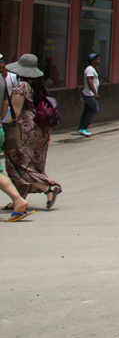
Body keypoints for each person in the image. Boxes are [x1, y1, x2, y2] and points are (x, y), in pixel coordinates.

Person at [3, 54, 62, 209]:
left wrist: (3, 125)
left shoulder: (21, 87)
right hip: (40, 129)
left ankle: (48, 187)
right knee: (31, 163)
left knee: (17, 164)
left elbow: (15, 113)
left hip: (24, 129)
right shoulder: (40, 86)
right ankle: (19, 199)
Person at [0, 57, 33, 220]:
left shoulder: (19, 85)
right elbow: (5, 104)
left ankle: (18, 200)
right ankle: (18, 201)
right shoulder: (1, 80)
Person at [77, 52, 100, 137]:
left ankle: (81, 128)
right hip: (89, 94)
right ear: (93, 61)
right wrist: (95, 93)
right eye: (97, 59)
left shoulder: (91, 69)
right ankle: (83, 127)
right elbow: (89, 82)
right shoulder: (90, 69)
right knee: (94, 109)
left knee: (87, 110)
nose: (98, 61)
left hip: (89, 94)